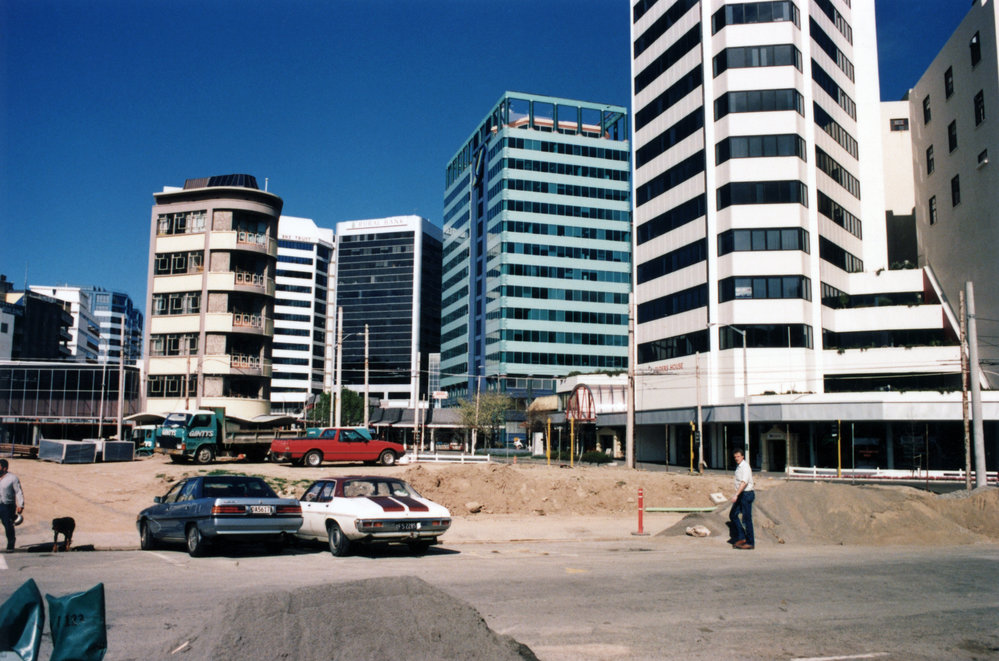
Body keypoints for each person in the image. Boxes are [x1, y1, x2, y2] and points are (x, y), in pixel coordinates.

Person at [729, 449, 754, 550]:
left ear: (742, 456)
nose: (736, 459)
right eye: (735, 457)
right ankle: (742, 537)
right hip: (741, 494)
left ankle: (750, 542)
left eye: (738, 457)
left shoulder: (745, 467)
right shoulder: (739, 467)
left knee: (747, 519)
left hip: (746, 494)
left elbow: (744, 482)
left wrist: (736, 495)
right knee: (733, 514)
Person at [0, 458, 25, 552]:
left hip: (8, 506)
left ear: (4, 468)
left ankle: (11, 542)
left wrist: (21, 505)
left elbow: (18, 491)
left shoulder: (12, 478)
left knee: (7, 524)